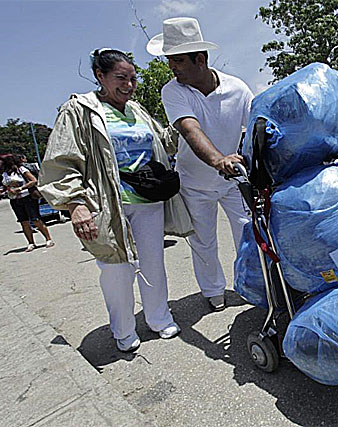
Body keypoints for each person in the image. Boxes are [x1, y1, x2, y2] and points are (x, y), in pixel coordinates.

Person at [39, 48, 193, 352]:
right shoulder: (79, 110)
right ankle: (122, 329)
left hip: (147, 200)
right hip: (107, 203)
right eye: (121, 78)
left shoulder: (137, 110)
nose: (129, 85)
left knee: (153, 264)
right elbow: (62, 159)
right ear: (101, 76)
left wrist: (184, 124)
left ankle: (159, 318)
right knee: (116, 269)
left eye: (133, 78)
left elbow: (161, 142)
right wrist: (75, 204)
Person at [147, 17, 253, 311]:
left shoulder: (238, 88)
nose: (173, 67)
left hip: (232, 180)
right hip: (195, 183)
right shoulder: (173, 91)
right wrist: (219, 159)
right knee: (204, 242)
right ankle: (214, 291)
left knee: (248, 233)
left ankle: (251, 284)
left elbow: (255, 127)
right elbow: (190, 129)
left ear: (200, 58)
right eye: (171, 61)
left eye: (178, 60)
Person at [0, 153, 54, 252]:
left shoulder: (21, 169)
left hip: (27, 197)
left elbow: (33, 180)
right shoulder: (4, 174)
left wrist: (20, 188)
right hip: (15, 200)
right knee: (23, 222)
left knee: (35, 219)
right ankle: (31, 243)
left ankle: (48, 239)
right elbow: (5, 186)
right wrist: (3, 190)